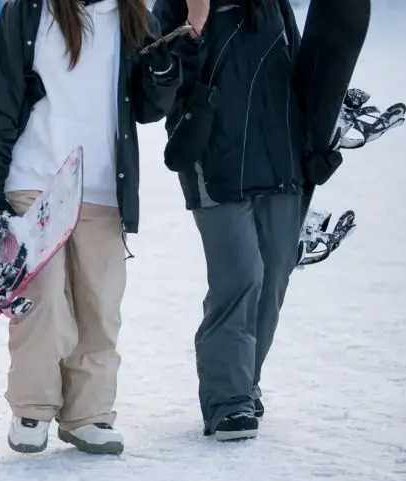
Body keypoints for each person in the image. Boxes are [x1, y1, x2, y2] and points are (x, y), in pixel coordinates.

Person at [0, 0, 183, 454]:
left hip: (102, 185)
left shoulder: (134, 15)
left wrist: (161, 69)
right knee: (43, 299)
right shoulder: (31, 11)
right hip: (34, 180)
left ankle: (88, 415)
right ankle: (32, 408)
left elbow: (150, 107)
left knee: (100, 305)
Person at [152, 0, 310, 441]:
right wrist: (196, 25)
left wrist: (315, 143)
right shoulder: (177, 4)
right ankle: (228, 401)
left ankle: (246, 381)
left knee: (274, 276)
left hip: (281, 159)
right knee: (240, 276)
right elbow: (162, 83)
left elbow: (297, 70)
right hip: (214, 162)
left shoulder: (273, 4)